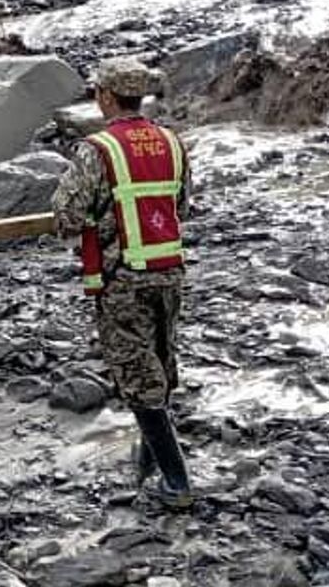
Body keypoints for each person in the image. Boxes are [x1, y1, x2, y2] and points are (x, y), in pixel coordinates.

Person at [49, 59, 196, 509]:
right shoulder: (172, 142)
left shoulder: (99, 149)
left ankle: (176, 482)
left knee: (136, 375)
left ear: (106, 97)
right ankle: (147, 467)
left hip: (123, 277)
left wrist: (98, 221)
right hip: (168, 269)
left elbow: (67, 216)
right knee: (161, 363)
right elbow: (182, 206)